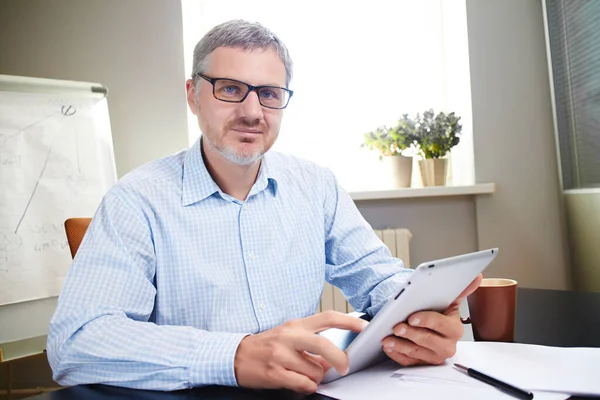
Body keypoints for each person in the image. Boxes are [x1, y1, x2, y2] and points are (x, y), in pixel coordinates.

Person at [47, 19, 481, 394]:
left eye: (270, 93)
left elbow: (380, 280)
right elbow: (78, 342)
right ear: (192, 95)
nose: (253, 111)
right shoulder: (135, 201)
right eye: (231, 89)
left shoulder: (316, 186)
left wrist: (420, 317)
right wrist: (234, 356)